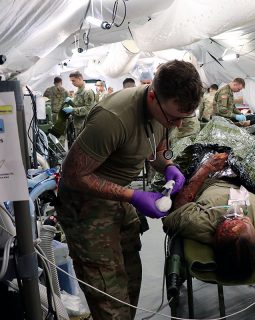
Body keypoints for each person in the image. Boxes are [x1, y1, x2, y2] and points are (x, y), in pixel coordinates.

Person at [55, 60, 203, 319]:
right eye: (173, 118)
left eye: (184, 118)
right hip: (86, 205)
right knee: (110, 296)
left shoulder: (164, 112)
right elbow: (73, 175)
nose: (177, 125)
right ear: (153, 95)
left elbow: (156, 149)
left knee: (131, 279)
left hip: (119, 198)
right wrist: (133, 196)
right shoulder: (113, 118)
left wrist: (168, 165)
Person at [162, 152, 255, 280]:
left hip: (212, 177)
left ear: (216, 238)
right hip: (251, 176)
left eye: (230, 221)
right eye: (245, 221)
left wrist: (206, 169)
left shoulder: (201, 224)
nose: (238, 215)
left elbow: (177, 208)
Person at [64, 71, 96, 135]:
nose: (72, 83)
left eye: (73, 81)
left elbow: (88, 109)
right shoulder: (78, 90)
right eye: (71, 81)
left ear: (80, 79)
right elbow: (79, 103)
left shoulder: (87, 91)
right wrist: (71, 101)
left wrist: (73, 110)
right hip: (78, 123)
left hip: (85, 124)